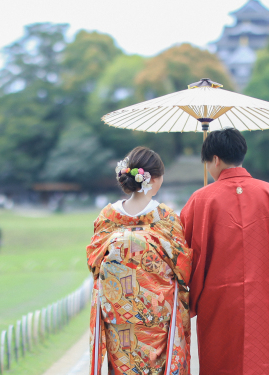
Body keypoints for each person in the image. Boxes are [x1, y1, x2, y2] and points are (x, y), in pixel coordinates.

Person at [180, 128, 269, 375]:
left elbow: (183, 255)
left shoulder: (200, 199)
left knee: (218, 364)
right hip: (261, 303)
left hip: (217, 305)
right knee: (259, 363)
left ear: (215, 159)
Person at [86, 146, 192, 375]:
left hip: (117, 315)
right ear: (153, 179)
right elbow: (183, 269)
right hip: (155, 318)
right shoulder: (165, 218)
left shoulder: (107, 217)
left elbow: (94, 263)